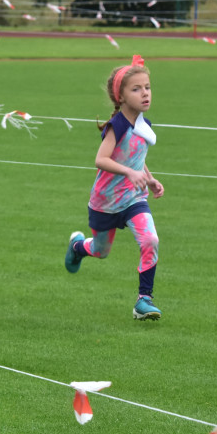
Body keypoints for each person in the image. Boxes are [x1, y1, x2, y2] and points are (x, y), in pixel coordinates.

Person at [65, 54, 164, 320]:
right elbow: (101, 159)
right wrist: (130, 172)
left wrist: (149, 178)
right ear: (120, 97)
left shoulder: (145, 125)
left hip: (134, 199)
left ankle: (144, 300)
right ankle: (77, 248)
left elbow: (137, 159)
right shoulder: (117, 125)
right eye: (136, 89)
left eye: (147, 87)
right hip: (106, 201)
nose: (145, 93)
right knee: (101, 251)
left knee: (150, 239)